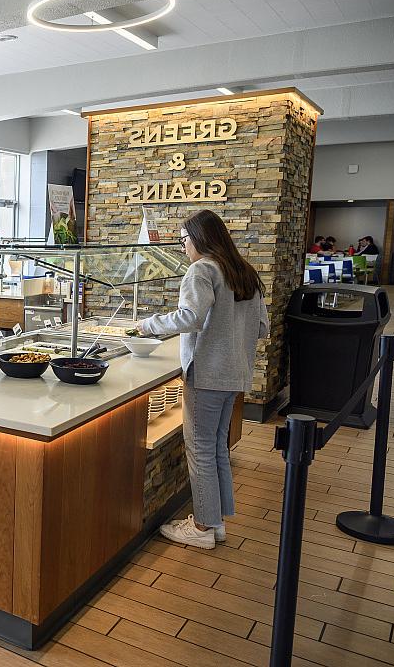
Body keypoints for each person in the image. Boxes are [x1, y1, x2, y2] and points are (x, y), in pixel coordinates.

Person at [136, 209, 269, 550]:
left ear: (199, 238)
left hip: (208, 374)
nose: (183, 248)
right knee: (216, 448)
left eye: (183, 240)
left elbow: (190, 318)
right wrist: (229, 332)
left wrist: (149, 325)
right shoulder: (245, 272)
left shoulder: (202, 269)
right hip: (236, 374)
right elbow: (261, 328)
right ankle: (216, 523)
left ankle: (201, 527)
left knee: (200, 449)